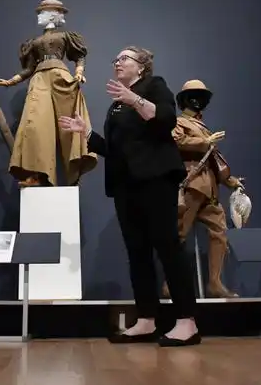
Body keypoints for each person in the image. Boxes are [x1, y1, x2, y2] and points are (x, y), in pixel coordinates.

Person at [58, 46, 200, 347]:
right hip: (126, 186)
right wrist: (86, 134)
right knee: (137, 252)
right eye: (116, 60)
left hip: (156, 180)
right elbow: (114, 149)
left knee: (168, 247)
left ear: (142, 66)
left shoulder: (154, 86)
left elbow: (166, 120)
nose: (117, 63)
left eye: (124, 59)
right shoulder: (116, 105)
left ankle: (187, 322)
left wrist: (134, 99)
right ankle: (147, 319)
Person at [0, 0, 97, 187]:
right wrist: (10, 81)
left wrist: (79, 73)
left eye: (42, 12)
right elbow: (29, 69)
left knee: (69, 126)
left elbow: (79, 57)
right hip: (39, 81)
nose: (38, 16)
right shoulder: (34, 42)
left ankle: (73, 172)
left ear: (54, 14)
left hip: (61, 79)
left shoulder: (65, 36)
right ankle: (36, 175)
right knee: (35, 128)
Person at [161, 79, 243, 299]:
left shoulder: (203, 126)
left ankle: (215, 282)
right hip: (191, 184)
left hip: (209, 188)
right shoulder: (178, 122)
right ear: (185, 100)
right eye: (194, 95)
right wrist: (204, 142)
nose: (198, 100)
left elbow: (213, 160)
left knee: (220, 231)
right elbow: (175, 142)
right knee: (179, 233)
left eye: (202, 96)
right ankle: (170, 282)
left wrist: (229, 180)